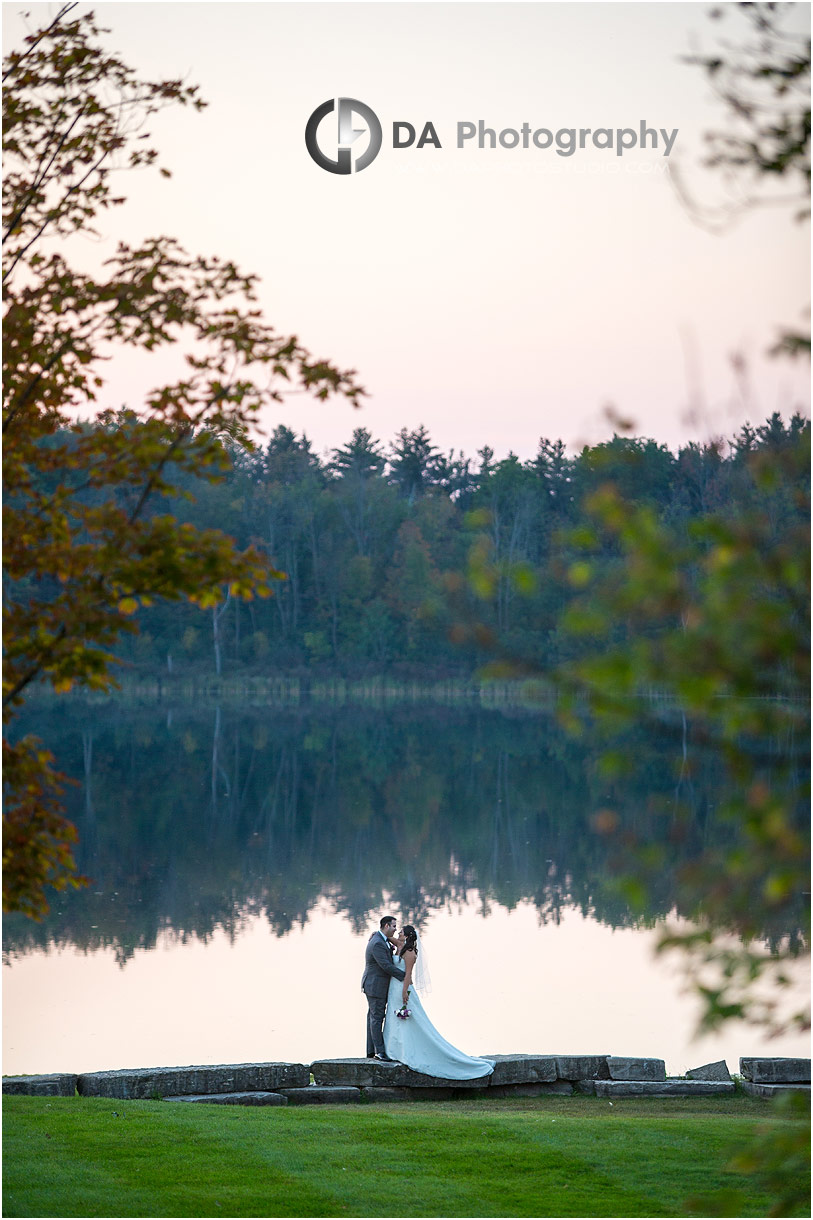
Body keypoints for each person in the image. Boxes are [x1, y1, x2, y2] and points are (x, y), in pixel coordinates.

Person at [383, 924, 494, 1080]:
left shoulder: (409, 953)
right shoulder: (401, 946)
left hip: (403, 988)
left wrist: (404, 992)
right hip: (393, 989)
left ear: (407, 936)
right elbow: (387, 937)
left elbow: (408, 975)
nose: (398, 933)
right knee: (395, 1019)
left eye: (401, 932)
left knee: (411, 1022)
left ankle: (406, 1051)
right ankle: (395, 1049)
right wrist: (377, 934)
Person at [361, 914, 406, 1060]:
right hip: (375, 986)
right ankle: (380, 1052)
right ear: (386, 926)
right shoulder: (378, 943)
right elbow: (386, 966)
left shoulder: (382, 939)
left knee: (373, 1017)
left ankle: (371, 1051)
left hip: (376, 985)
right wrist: (405, 977)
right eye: (394, 926)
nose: (395, 929)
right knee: (376, 1018)